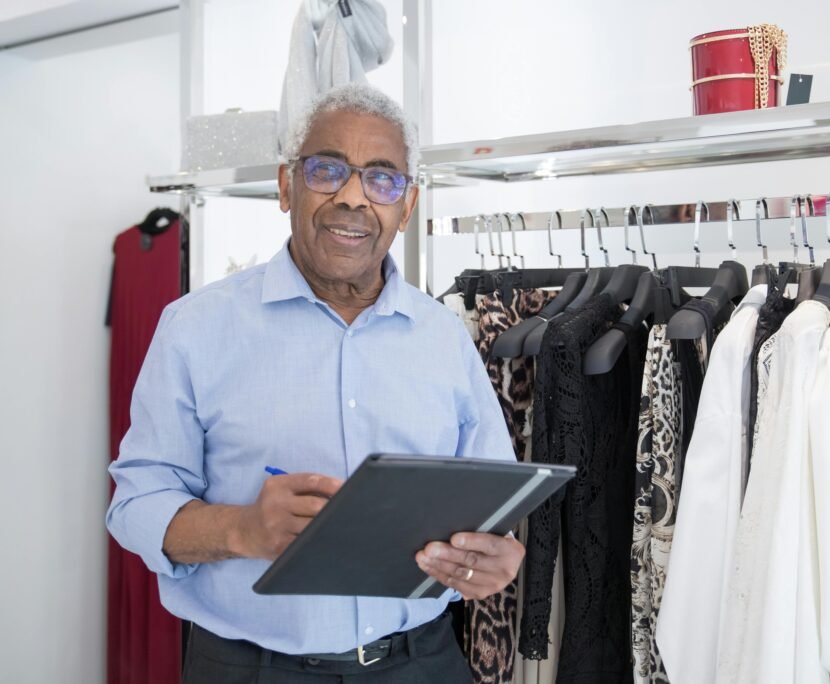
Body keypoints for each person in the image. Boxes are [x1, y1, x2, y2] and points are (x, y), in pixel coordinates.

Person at [106, 82, 524, 683]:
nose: (353, 198)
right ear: (286, 185)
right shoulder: (195, 327)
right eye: (328, 170)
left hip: (422, 663)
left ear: (406, 207)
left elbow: (492, 501)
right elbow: (136, 504)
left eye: (382, 179)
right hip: (249, 669)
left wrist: (497, 557)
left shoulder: (444, 336)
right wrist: (242, 529)